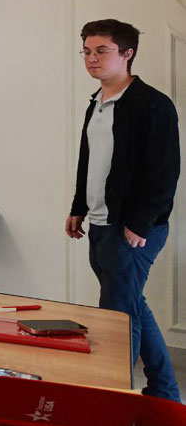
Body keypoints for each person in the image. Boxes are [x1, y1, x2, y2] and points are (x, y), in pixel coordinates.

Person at [65, 20, 181, 401]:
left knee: (116, 317)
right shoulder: (97, 103)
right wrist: (78, 206)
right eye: (86, 51)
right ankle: (164, 391)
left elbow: (164, 172)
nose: (91, 58)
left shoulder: (152, 105)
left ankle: (111, 398)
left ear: (127, 54)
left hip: (133, 229)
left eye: (101, 50)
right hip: (101, 223)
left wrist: (139, 222)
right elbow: (89, 161)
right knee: (130, 305)